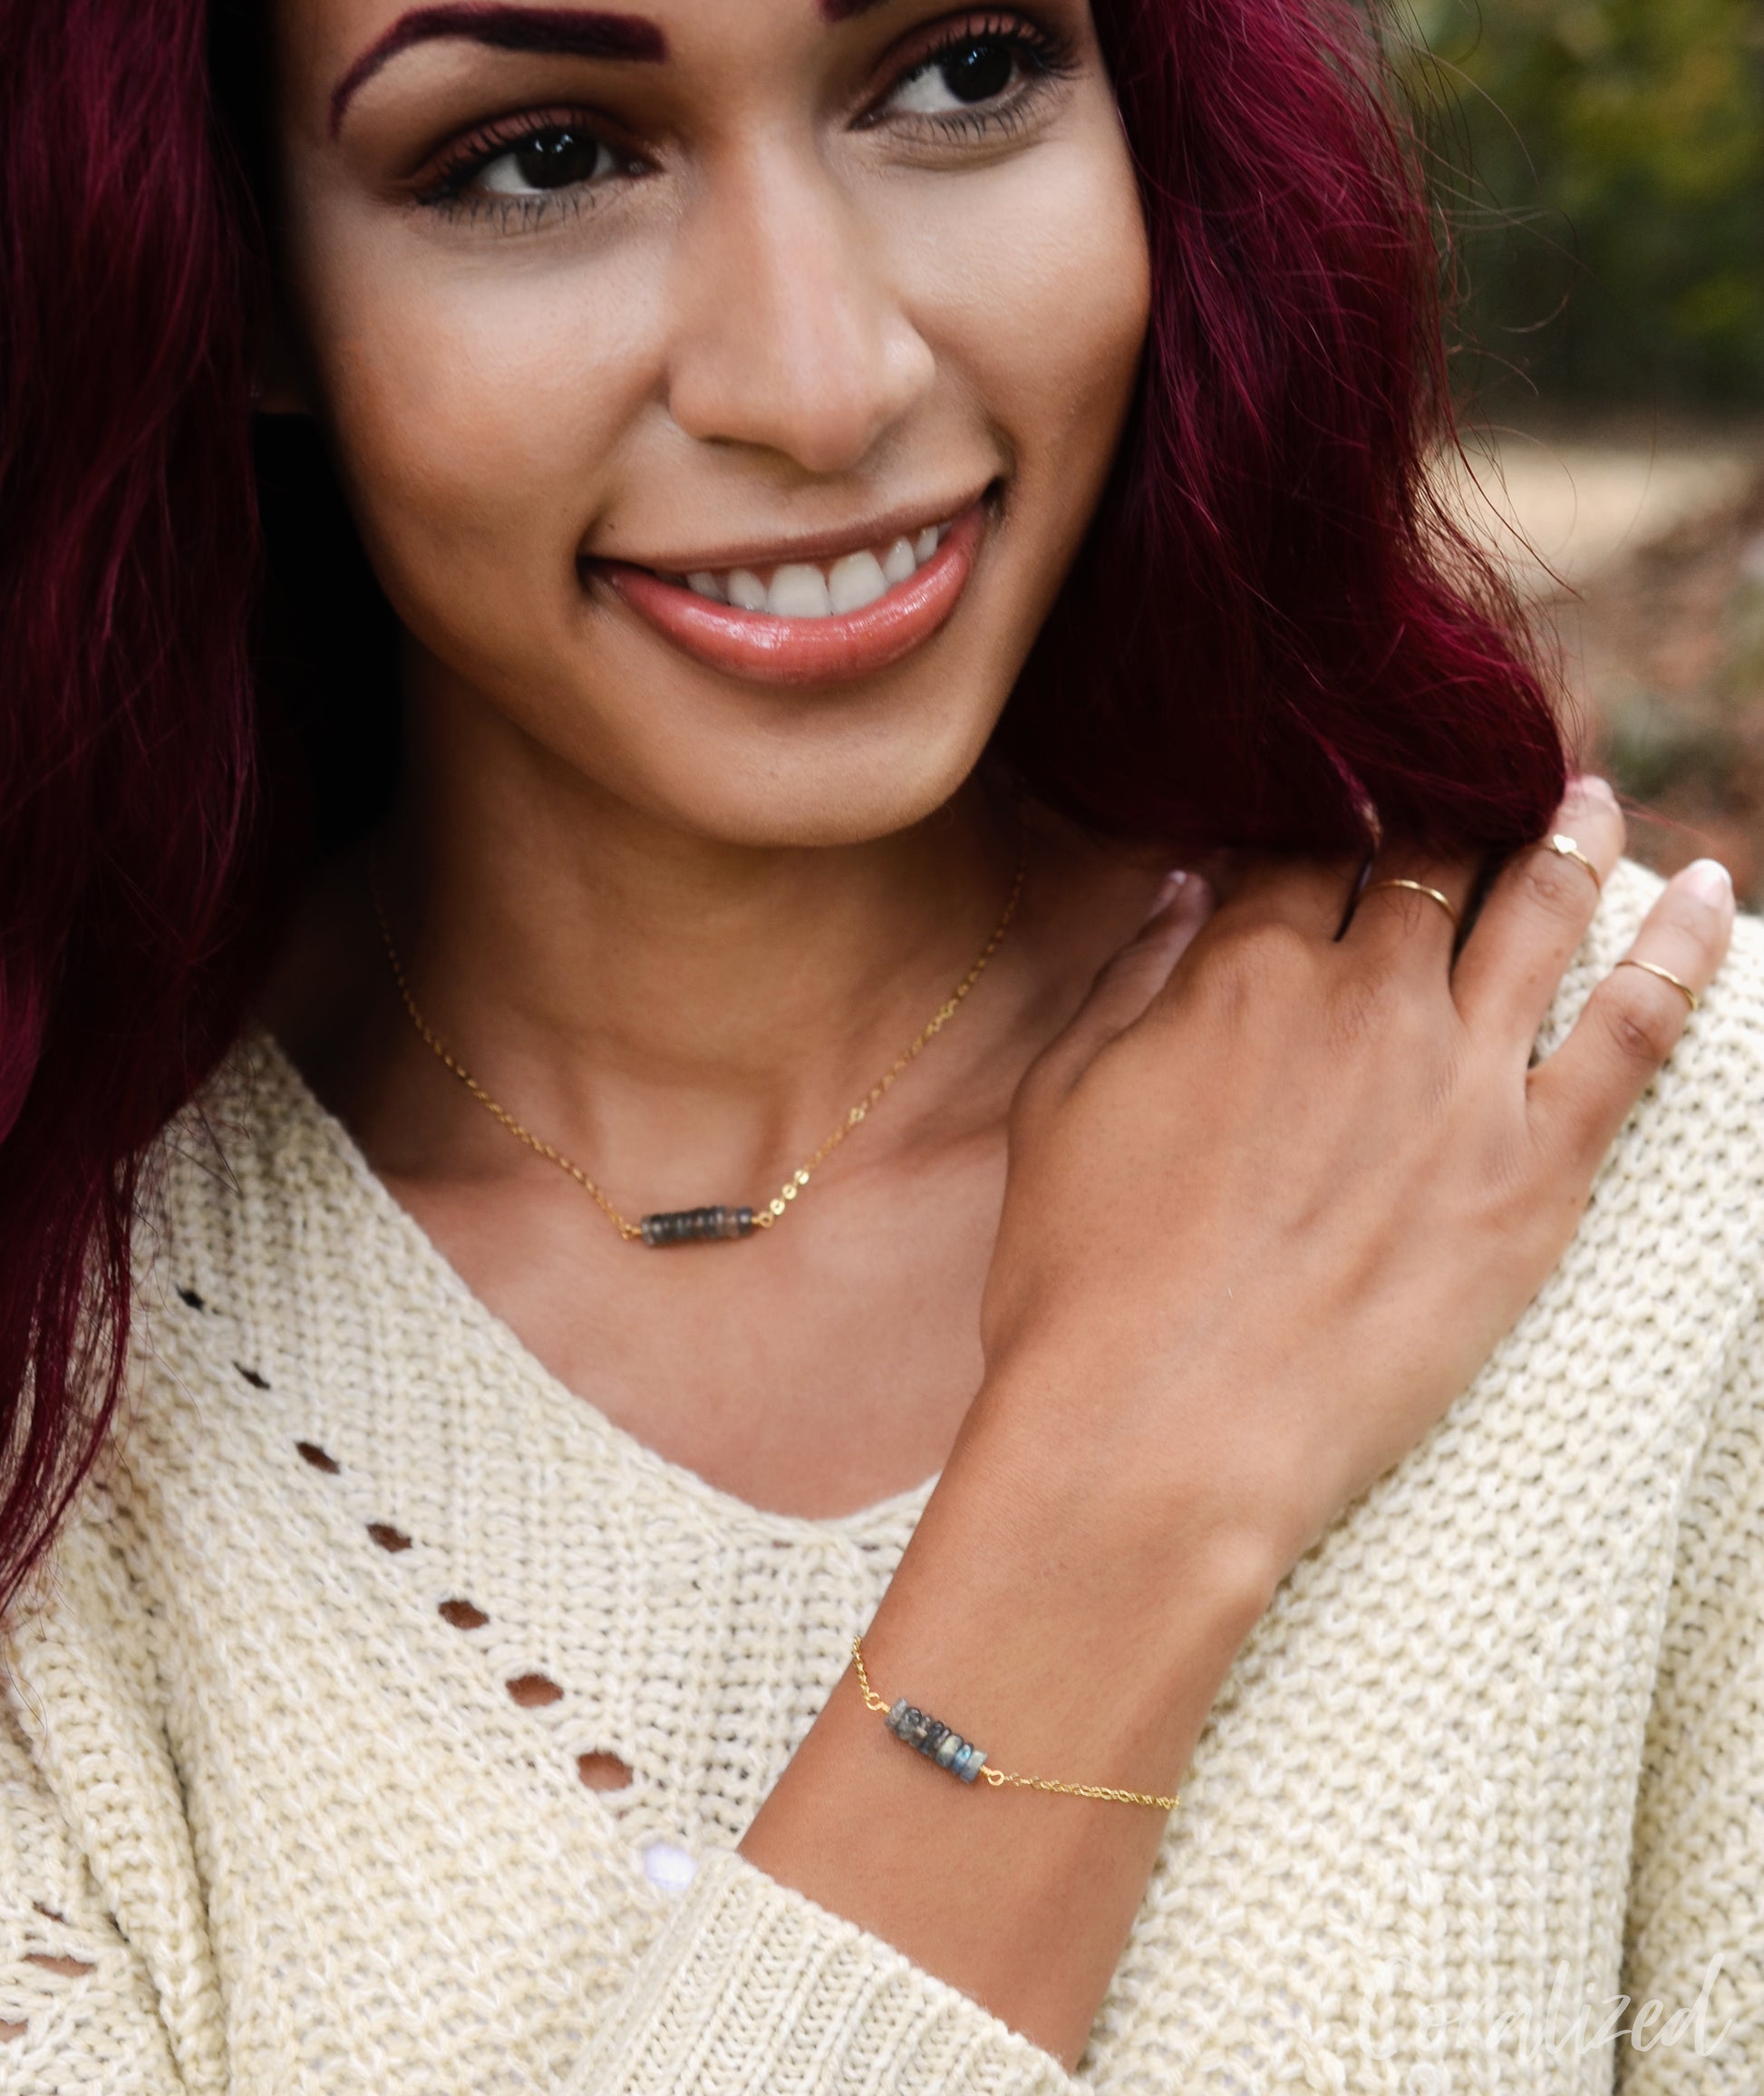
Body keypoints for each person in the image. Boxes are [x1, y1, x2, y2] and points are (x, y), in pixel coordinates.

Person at [0, 0, 1757, 2088]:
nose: (824, 383)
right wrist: (1109, 1515)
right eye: (543, 158)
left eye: (960, 72)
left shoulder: (1660, 1172)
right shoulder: (55, 1379)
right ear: (235, 271)